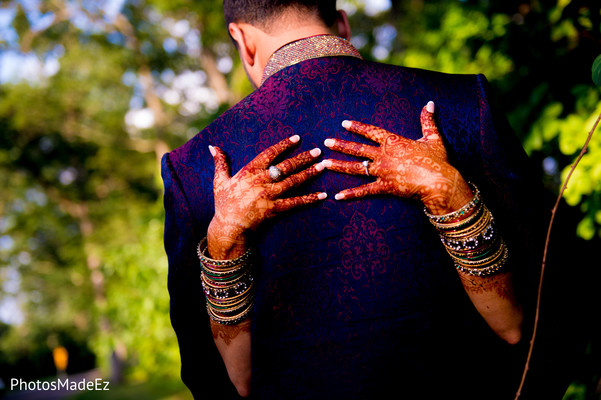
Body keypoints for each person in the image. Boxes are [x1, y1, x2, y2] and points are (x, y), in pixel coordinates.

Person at [161, 1, 546, 398]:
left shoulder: (193, 167)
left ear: (242, 39)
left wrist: (223, 245)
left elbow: (216, 378)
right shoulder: (461, 101)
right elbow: (546, 293)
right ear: (341, 23)